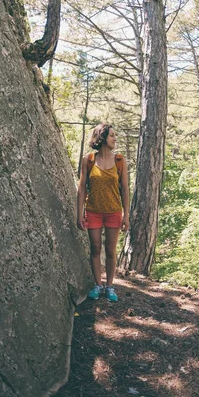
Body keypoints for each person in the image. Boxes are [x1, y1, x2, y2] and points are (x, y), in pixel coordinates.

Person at [77, 123, 130, 302]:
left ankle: (110, 287)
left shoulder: (120, 161)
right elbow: (82, 189)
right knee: (95, 248)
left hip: (114, 211)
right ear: (102, 138)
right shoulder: (89, 160)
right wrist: (79, 214)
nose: (115, 138)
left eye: (115, 135)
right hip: (93, 211)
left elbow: (125, 189)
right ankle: (98, 285)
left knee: (110, 250)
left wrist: (126, 215)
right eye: (112, 135)